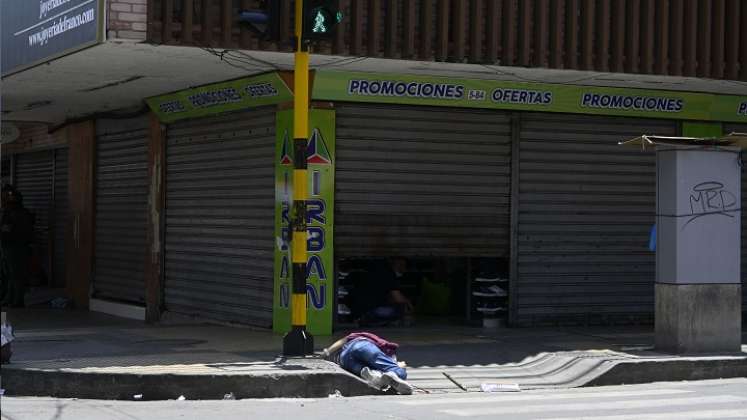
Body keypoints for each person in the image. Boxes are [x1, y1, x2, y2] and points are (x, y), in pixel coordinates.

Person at [323, 332, 413, 395]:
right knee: (399, 371)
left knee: (363, 370)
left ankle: (374, 376)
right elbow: (392, 363)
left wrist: (327, 352)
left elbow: (342, 341)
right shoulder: (384, 347)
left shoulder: (354, 337)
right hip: (363, 346)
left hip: (345, 359)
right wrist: (399, 365)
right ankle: (388, 375)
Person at [351, 258, 414, 326]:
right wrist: (408, 303)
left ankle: (367, 319)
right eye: (403, 265)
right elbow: (398, 298)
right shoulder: (389, 274)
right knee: (400, 310)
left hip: (361, 309)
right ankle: (369, 319)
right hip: (370, 311)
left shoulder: (377, 272)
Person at [0, 185, 34, 308]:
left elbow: (8, 230)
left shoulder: (17, 214)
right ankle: (10, 298)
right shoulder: (12, 213)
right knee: (9, 274)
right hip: (10, 247)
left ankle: (17, 300)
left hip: (15, 247)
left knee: (16, 274)